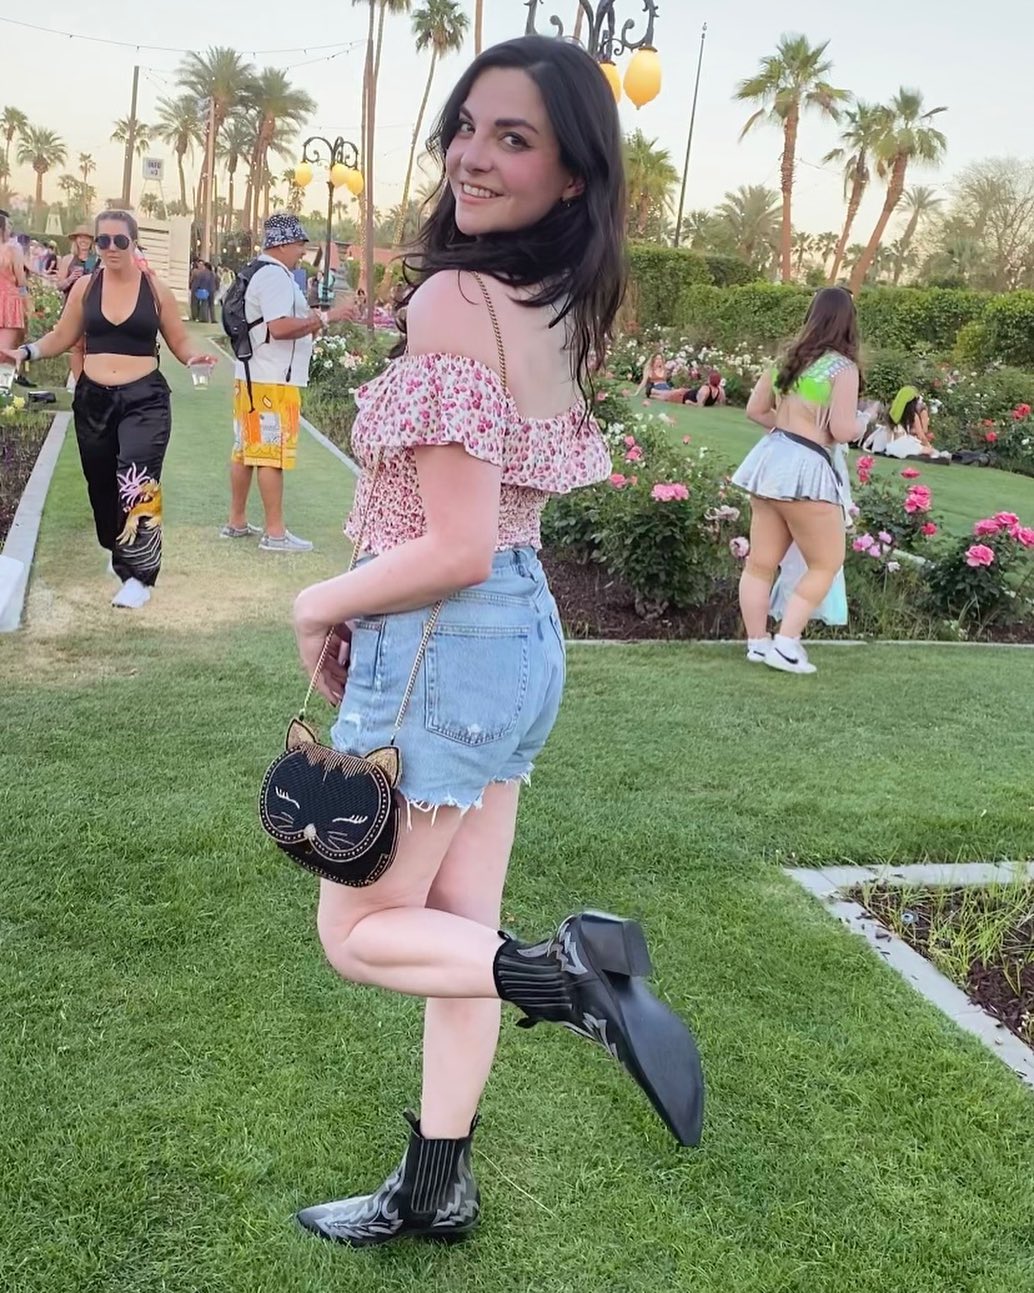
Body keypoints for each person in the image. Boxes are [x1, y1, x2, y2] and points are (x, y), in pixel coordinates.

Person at [287, 34, 705, 1251]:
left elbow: (455, 544)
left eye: (511, 138)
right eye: (466, 127)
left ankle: (568, 980)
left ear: (571, 173)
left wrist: (318, 601)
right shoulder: (553, 302)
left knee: (360, 935)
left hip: (448, 637)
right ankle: (436, 1187)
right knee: (460, 934)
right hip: (517, 639)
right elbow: (485, 541)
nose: (470, 155)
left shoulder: (453, 300)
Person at [0, 210, 217, 609]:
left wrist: (193, 358)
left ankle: (139, 577)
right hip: (94, 401)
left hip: (145, 400)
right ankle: (117, 547)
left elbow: (179, 341)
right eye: (103, 240)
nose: (111, 248)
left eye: (120, 240)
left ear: (134, 242)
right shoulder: (85, 288)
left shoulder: (155, 290)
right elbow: (62, 336)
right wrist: (25, 352)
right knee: (101, 485)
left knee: (137, 481)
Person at [731, 286, 861, 674]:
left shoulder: (787, 359)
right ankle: (786, 644)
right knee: (826, 562)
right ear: (848, 321)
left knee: (760, 563)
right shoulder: (842, 368)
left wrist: (789, 427)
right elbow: (841, 430)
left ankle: (758, 643)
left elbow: (756, 410)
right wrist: (863, 422)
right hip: (807, 472)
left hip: (770, 462)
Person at [222, 213, 355, 549]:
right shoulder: (275, 277)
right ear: (282, 244)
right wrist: (327, 317)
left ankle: (237, 521)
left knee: (245, 450)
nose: (302, 251)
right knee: (270, 455)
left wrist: (313, 320)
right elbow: (279, 327)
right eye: (299, 244)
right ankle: (276, 532)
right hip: (273, 381)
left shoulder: (259, 271)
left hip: (253, 376)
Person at [57, 225, 98, 385]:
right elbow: (59, 285)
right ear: (75, 240)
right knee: (77, 347)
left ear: (92, 241)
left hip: (92, 307)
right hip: (73, 307)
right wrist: (70, 279)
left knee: (92, 347)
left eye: (87, 238)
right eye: (81, 237)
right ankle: (78, 382)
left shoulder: (97, 260)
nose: (84, 241)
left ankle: (92, 381)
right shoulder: (68, 259)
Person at [0, 212, 29, 378]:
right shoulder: (13, 249)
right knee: (6, 351)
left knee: (5, 351)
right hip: (9, 301)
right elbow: (21, 279)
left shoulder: (12, 249)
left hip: (7, 302)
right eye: (8, 226)